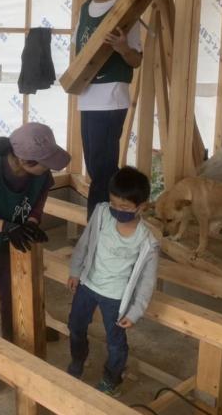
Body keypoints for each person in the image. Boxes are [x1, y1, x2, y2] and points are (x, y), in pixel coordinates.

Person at [0, 122, 70, 392]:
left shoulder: (41, 174)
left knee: (15, 293)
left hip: (13, 233)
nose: (50, 168)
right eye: (46, 163)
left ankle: (16, 343)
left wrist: (31, 222)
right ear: (25, 161)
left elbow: (39, 199)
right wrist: (5, 226)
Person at [66, 166, 159, 397]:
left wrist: (135, 311)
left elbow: (147, 281)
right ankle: (78, 360)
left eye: (125, 207)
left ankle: (112, 378)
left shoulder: (147, 241)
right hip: (88, 285)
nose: (117, 210)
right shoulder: (101, 214)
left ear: (141, 206)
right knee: (75, 326)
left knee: (115, 341)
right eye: (113, 203)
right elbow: (84, 243)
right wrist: (75, 271)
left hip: (116, 297)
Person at [64, 0, 143, 219]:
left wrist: (123, 48)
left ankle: (100, 228)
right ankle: (104, 226)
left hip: (110, 99)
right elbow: (78, 52)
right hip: (87, 99)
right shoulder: (85, 10)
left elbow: (135, 60)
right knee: (96, 169)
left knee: (103, 171)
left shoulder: (124, 9)